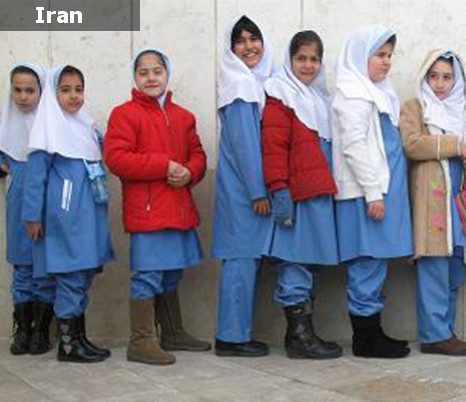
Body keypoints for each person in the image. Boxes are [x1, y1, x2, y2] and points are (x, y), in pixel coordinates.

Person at [104, 49, 210, 365]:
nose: (151, 77)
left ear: (167, 75)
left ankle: (172, 333)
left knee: (171, 274)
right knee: (147, 275)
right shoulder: (124, 114)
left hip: (177, 208)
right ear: (134, 78)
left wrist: (191, 171)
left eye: (158, 71)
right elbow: (117, 159)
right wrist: (164, 165)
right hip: (148, 211)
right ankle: (140, 341)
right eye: (143, 72)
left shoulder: (184, 116)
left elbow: (199, 154)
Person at [23, 65, 115, 362]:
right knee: (70, 275)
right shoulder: (48, 129)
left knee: (85, 271)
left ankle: (78, 338)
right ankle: (68, 345)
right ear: (53, 94)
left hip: (89, 215)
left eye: (78, 89)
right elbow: (35, 178)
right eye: (65, 90)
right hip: (65, 217)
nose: (73, 96)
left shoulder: (86, 127)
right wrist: (32, 217)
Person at [332, 25, 413, 359]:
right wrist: (372, 193)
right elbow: (353, 147)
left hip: (382, 193)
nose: (386, 62)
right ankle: (365, 339)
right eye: (379, 55)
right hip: (369, 195)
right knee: (368, 262)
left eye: (389, 55)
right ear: (360, 56)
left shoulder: (378, 91)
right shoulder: (353, 93)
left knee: (377, 263)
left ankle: (373, 331)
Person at [261, 31, 342, 359]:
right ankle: (299, 337)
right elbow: (273, 148)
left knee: (309, 262)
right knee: (295, 261)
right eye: (301, 58)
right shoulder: (281, 95)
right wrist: (279, 190)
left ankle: (304, 334)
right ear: (289, 59)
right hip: (298, 195)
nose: (308, 65)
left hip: (318, 193)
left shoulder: (319, 99)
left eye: (314, 59)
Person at [399, 49, 466, 356]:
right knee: (433, 267)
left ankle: (445, 330)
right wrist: (456, 145)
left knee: (454, 268)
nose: (440, 84)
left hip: (458, 203)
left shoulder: (462, 113)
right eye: (433, 76)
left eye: (447, 77)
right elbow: (412, 145)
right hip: (432, 203)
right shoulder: (415, 108)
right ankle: (434, 334)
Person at [0, 63, 56, 355]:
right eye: (18, 90)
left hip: (47, 205)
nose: (23, 96)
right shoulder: (6, 125)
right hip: (17, 204)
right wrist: (1, 166)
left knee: (45, 268)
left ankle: (41, 331)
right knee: (22, 267)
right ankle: (23, 329)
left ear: (41, 91)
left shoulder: (52, 123)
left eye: (30, 90)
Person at [212, 15, 273, 357]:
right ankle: (231, 338)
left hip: (247, 188)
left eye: (255, 38)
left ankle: (236, 333)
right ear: (231, 49)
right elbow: (246, 145)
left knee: (246, 260)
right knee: (240, 260)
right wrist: (257, 192)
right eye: (241, 40)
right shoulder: (239, 86)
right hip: (244, 191)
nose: (249, 46)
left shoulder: (254, 82)